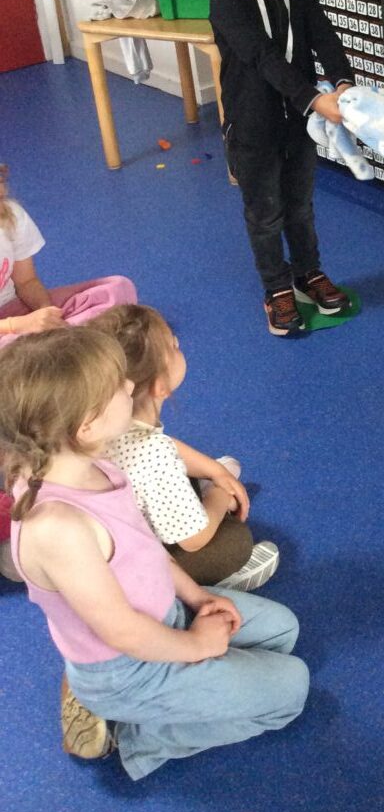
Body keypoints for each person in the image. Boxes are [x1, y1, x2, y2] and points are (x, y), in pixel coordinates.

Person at [0, 329, 309, 778]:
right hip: (128, 670)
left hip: (165, 615)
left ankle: (151, 695)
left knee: (283, 631)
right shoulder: (57, 529)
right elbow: (123, 631)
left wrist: (197, 597)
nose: (131, 384)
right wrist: (196, 645)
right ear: (85, 425)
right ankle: (137, 739)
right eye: (118, 386)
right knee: (292, 689)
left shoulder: (93, 460)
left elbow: (145, 547)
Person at [207, 0, 356, 336]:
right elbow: (262, 57)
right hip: (253, 127)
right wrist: (314, 98)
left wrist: (343, 82)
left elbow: (322, 33)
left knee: (300, 206)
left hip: (300, 124)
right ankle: (276, 287)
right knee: (265, 214)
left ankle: (308, 273)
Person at [88, 304, 279, 590]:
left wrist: (214, 470)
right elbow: (193, 540)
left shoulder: (99, 415)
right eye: (174, 346)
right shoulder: (153, 454)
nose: (179, 344)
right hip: (128, 564)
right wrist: (219, 495)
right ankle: (209, 586)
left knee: (197, 472)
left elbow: (166, 446)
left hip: (101, 534)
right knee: (234, 543)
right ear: (159, 387)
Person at [0, 163, 137, 349]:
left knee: (117, 288)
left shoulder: (11, 216)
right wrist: (16, 326)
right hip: (10, 327)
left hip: (14, 309)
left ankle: (54, 348)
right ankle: (62, 348)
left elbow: (26, 282)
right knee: (12, 348)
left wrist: (46, 311)